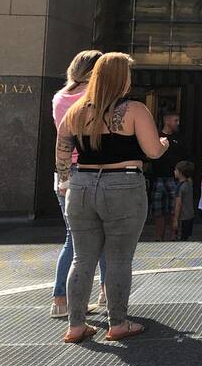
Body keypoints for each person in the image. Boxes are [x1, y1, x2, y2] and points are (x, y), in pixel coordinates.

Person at [56, 52, 169, 343]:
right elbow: (153, 151)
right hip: (123, 185)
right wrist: (165, 142)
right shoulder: (134, 110)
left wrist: (66, 181)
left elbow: (62, 150)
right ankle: (117, 323)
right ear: (122, 77)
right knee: (119, 257)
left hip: (81, 185)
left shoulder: (77, 110)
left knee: (81, 258)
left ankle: (76, 325)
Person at [50, 50, 107, 319]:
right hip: (90, 169)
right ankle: (108, 291)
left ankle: (59, 299)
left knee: (71, 238)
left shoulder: (59, 97)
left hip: (63, 172)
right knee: (107, 234)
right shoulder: (94, 100)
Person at [148, 111, 184, 241]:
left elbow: (184, 157)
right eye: (175, 120)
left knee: (174, 210)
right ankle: (159, 238)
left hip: (174, 178)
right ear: (167, 121)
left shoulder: (179, 139)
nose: (178, 123)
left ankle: (173, 237)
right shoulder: (156, 136)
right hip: (158, 177)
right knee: (158, 211)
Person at [171, 161, 196, 241]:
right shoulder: (189, 183)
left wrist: (175, 219)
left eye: (176, 170)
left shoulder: (180, 187)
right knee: (186, 237)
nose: (174, 172)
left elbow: (179, 204)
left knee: (180, 239)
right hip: (190, 216)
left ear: (180, 173)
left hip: (182, 218)